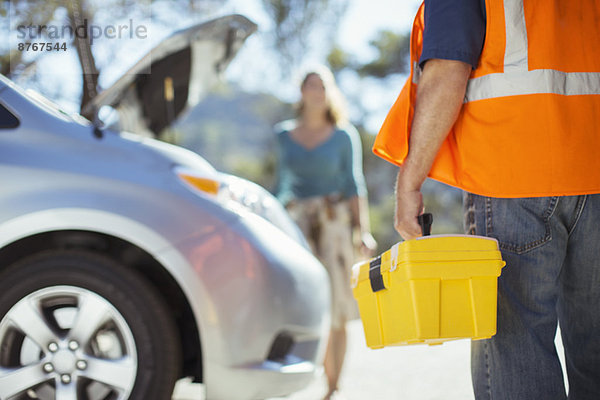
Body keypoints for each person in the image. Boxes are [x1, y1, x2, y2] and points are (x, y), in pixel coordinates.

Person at [373, 1, 600, 399]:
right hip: (593, 165)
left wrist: (410, 181)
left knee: (517, 347)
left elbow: (447, 71)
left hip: (512, 173)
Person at [274, 65, 377, 400]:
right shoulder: (282, 135)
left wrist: (363, 231)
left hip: (334, 226)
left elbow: (353, 184)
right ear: (301, 92)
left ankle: (333, 386)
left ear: (329, 92)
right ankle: (304, 375)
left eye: (322, 86)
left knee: (337, 306)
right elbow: (281, 186)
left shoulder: (343, 135)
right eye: (310, 85)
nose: (317, 92)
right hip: (297, 226)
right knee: (301, 303)